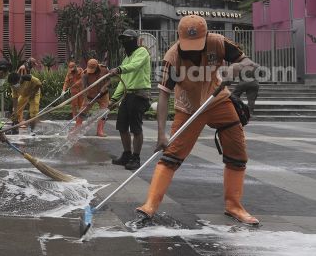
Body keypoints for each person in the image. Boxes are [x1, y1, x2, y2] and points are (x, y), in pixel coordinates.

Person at [133, 15, 260, 228]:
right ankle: (150, 205)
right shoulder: (172, 57)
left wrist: (235, 69)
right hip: (188, 109)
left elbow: (250, 64)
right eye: (188, 44)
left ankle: (233, 205)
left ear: (206, 35)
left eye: (197, 44)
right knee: (172, 155)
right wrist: (161, 134)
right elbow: (163, 96)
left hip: (219, 101)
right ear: (178, 37)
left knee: (237, 152)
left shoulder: (218, 42)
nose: (193, 49)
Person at [108, 29, 152, 170]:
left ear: (134, 40)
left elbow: (135, 66)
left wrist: (119, 69)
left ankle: (136, 158)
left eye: (128, 39)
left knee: (135, 128)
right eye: (123, 40)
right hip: (128, 95)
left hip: (139, 95)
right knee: (122, 126)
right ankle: (126, 154)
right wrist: (114, 98)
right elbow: (123, 81)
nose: (125, 43)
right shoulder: (126, 58)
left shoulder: (142, 52)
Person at [78, 59, 110, 136]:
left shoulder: (104, 69)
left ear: (97, 67)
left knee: (104, 112)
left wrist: (105, 87)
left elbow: (109, 81)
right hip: (90, 96)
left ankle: (100, 130)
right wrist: (86, 100)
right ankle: (77, 128)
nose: (91, 71)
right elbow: (83, 88)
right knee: (83, 111)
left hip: (103, 95)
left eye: (93, 69)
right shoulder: (85, 74)